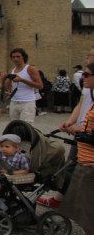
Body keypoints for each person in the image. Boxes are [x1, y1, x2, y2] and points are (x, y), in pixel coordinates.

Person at [38, 47, 94, 209]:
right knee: (70, 165)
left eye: (90, 55)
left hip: (88, 132)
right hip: (82, 131)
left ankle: (77, 203)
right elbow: (81, 103)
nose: (87, 57)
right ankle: (61, 199)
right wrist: (70, 121)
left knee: (79, 169)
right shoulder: (88, 81)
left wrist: (80, 128)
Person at [59, 61, 94, 235]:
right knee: (83, 205)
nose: (83, 78)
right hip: (85, 158)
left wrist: (80, 131)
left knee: (90, 206)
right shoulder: (90, 99)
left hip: (92, 163)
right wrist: (74, 125)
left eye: (87, 75)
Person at [2, 48, 43, 123]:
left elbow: (40, 86)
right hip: (14, 101)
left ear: (23, 57)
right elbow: (7, 87)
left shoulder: (30, 69)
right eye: (13, 57)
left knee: (26, 127)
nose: (15, 59)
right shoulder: (12, 70)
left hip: (27, 102)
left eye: (18, 56)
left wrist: (22, 80)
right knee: (14, 126)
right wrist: (6, 78)